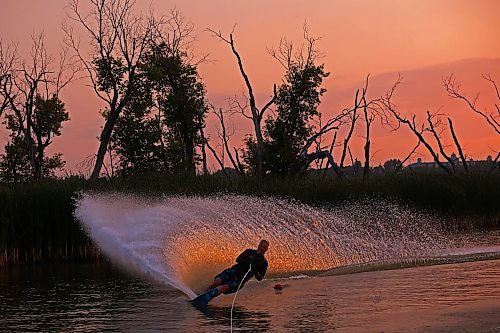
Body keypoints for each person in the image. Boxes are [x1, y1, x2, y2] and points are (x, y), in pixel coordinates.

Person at [196, 240, 269, 304]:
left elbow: (260, 278)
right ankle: (202, 294)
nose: (262, 248)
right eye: (261, 246)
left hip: (239, 280)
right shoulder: (249, 252)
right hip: (233, 271)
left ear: (266, 249)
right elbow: (238, 259)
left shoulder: (264, 263)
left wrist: (254, 270)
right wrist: (248, 261)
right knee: (217, 281)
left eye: (264, 247)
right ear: (258, 245)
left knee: (224, 287)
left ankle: (206, 299)